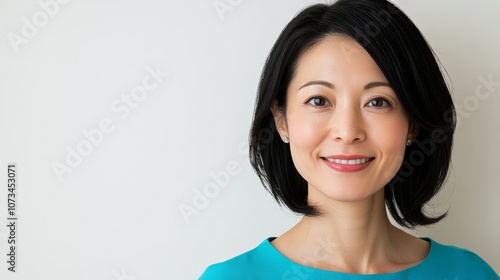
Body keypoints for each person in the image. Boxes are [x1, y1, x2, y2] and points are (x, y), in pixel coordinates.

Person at [200, 0, 499, 279]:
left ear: (413, 125)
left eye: (377, 102)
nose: (347, 131)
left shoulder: (470, 274)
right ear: (281, 120)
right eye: (319, 100)